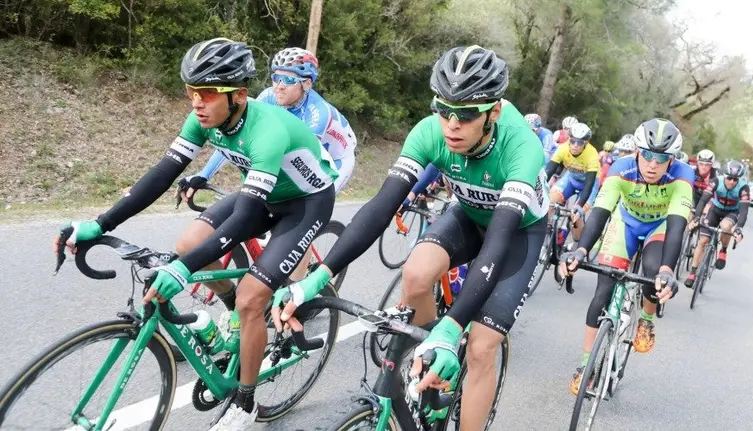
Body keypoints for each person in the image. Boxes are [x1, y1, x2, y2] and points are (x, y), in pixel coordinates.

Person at [54, 38, 339, 429]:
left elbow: (244, 218)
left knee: (252, 297)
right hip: (264, 193)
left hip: (305, 203)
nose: (196, 102)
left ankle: (246, 401)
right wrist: (101, 223)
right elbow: (161, 175)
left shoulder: (267, 130)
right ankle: (234, 323)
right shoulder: (204, 119)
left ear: (239, 95)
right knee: (189, 244)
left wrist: (182, 271)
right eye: (191, 92)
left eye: (206, 93)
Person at [272, 45, 549, 430]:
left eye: (466, 114)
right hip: (467, 214)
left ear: (494, 112)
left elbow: (498, 242)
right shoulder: (429, 132)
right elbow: (380, 208)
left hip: (517, 232)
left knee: (483, 347)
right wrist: (317, 279)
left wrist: (452, 330)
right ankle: (433, 371)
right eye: (443, 109)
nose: (452, 124)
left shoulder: (521, 147)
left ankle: (451, 360)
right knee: (415, 275)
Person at [558, 118, 693, 394]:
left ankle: (646, 320)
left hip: (660, 225)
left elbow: (677, 225)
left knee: (654, 271)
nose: (653, 164)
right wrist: (581, 250)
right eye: (647, 155)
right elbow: (600, 214)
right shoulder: (621, 168)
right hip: (626, 223)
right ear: (637, 153)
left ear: (672, 160)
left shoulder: (683, 176)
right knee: (603, 291)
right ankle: (586, 366)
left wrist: (668, 270)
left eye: (661, 158)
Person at [181, 47, 357, 197]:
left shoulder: (317, 113)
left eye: (288, 80)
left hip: (336, 158)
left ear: (307, 83)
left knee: (309, 202)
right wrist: (204, 174)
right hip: (298, 149)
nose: (279, 86)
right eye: (276, 78)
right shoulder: (267, 97)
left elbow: (303, 160)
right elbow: (233, 140)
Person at [685, 160, 749, 287]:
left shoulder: (743, 188)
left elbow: (744, 211)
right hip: (715, 210)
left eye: (735, 180)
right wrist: (697, 217)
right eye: (729, 178)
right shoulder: (716, 181)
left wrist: (739, 228)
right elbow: (703, 200)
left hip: (731, 213)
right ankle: (692, 273)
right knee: (702, 241)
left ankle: (723, 251)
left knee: (726, 226)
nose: (732, 182)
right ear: (724, 176)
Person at [545, 122, 600, 247]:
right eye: (573, 141)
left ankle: (576, 244)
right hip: (570, 179)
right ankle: (549, 230)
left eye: (580, 143)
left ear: (586, 143)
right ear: (569, 139)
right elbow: (549, 171)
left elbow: (589, 185)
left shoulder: (592, 155)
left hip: (588, 185)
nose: (575, 145)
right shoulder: (563, 148)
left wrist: (579, 206)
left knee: (576, 215)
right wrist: (539, 188)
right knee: (550, 201)